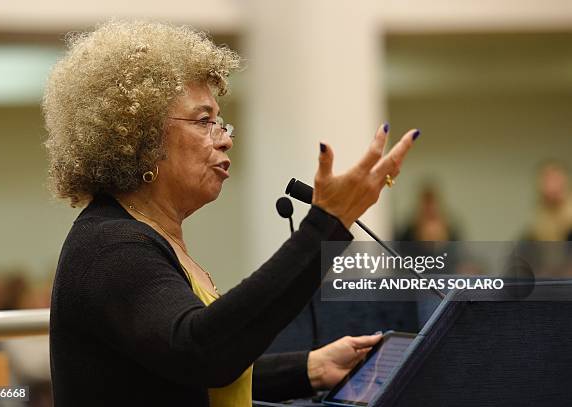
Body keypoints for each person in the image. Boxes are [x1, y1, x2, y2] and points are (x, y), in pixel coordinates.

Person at [43, 21, 419, 406]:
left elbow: (182, 377)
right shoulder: (111, 248)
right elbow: (202, 352)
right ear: (144, 139)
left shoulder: (150, 236)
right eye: (205, 121)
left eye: (221, 122)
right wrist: (326, 224)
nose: (225, 138)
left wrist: (308, 369)